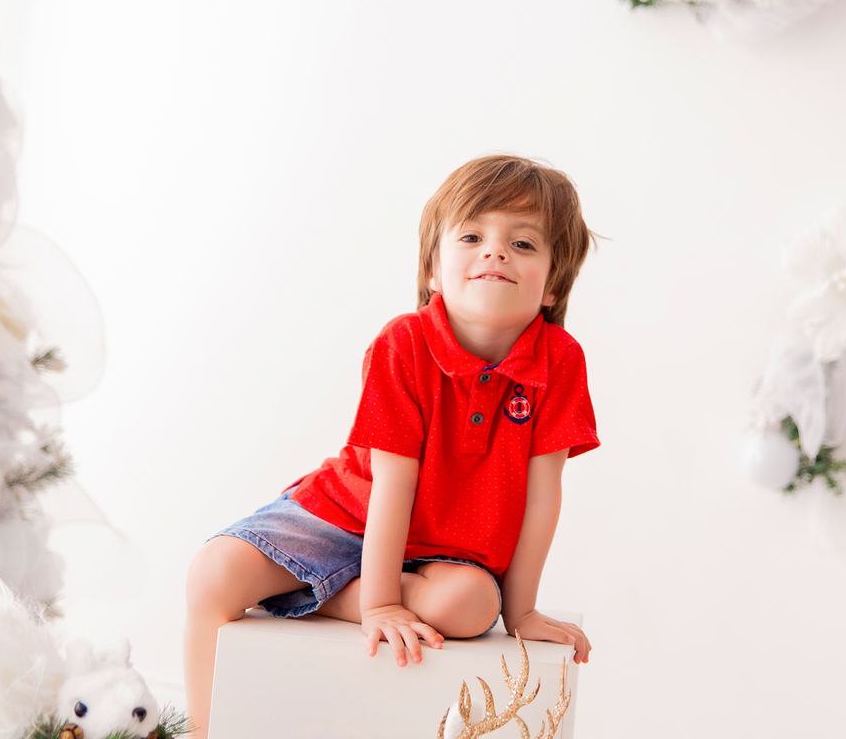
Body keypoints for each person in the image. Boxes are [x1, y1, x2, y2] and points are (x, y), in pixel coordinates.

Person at [183, 154, 599, 738]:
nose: (496, 252)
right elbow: (391, 484)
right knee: (212, 574)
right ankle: (201, 731)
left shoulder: (560, 361)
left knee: (475, 609)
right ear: (434, 268)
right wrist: (379, 604)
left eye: (523, 244)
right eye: (473, 235)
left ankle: (321, 592)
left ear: (552, 284)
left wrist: (522, 609)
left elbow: (542, 496)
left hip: (445, 553)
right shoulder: (404, 342)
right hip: (348, 514)